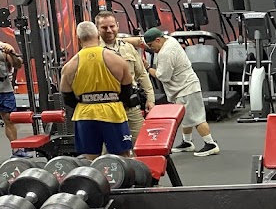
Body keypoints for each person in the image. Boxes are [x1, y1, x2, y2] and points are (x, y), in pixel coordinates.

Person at [60, 21, 134, 159]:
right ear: (98, 36)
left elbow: (67, 97)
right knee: (122, 158)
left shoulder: (69, 66)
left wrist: (86, 102)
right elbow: (127, 90)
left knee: (91, 159)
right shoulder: (117, 60)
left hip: (85, 115)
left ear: (78, 39)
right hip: (113, 112)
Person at [142, 28, 220, 156]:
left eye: (151, 45)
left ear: (158, 40)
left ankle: (210, 144)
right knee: (185, 116)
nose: (151, 48)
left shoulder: (165, 53)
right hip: (183, 87)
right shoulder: (170, 40)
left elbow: (163, 76)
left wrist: (147, 68)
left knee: (197, 118)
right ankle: (187, 142)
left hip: (186, 88)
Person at [95, 11, 155, 143]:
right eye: (104, 27)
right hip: (106, 108)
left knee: (141, 143)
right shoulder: (93, 51)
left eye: (112, 26)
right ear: (97, 29)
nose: (109, 30)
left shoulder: (128, 48)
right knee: (109, 148)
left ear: (117, 25)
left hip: (131, 106)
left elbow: (142, 74)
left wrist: (150, 99)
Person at [0, 39, 23, 152]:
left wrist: (11, 54)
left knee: (9, 119)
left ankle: (16, 150)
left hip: (4, 88)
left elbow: (18, 65)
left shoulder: (4, 47)